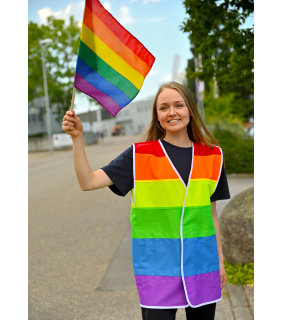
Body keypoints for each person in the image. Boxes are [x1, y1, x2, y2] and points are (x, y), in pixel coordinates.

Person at [62, 82, 230, 320]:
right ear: (157, 117)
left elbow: (212, 215)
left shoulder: (213, 157)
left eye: (178, 105)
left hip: (201, 266)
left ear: (190, 110)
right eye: (164, 108)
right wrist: (77, 138)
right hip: (157, 269)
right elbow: (87, 182)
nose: (172, 112)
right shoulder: (138, 156)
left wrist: (220, 263)